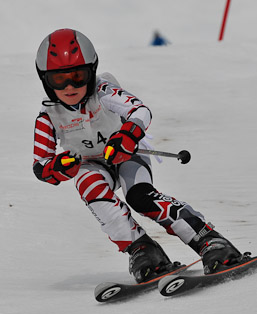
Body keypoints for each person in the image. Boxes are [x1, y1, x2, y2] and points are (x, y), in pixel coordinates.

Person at [32, 28, 242, 283]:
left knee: (139, 196)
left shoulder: (104, 92)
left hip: (126, 154)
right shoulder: (48, 117)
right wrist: (60, 166)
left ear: (92, 71)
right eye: (58, 79)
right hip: (90, 163)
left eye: (78, 76)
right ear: (45, 80)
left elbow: (140, 111)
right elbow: (41, 166)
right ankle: (143, 250)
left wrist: (126, 136)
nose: (69, 86)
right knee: (90, 188)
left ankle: (208, 240)